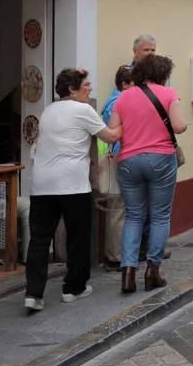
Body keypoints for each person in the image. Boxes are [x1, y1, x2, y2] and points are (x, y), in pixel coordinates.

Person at [24, 69, 121, 312]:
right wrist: (123, 120)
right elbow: (109, 137)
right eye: (86, 85)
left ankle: (33, 294)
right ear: (72, 89)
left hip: (42, 184)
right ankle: (73, 288)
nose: (89, 89)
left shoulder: (48, 110)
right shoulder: (83, 110)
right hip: (72, 184)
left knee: (39, 239)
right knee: (78, 236)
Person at [110, 55, 187, 293]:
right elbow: (178, 126)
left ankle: (128, 272)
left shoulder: (124, 97)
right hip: (160, 159)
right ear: (163, 74)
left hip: (129, 161)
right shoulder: (168, 94)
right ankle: (152, 271)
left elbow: (114, 130)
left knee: (134, 216)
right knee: (160, 216)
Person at [98, 65, 133, 271]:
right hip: (118, 160)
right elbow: (117, 134)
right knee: (118, 210)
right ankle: (115, 256)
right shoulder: (118, 102)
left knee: (121, 210)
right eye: (134, 84)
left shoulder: (115, 101)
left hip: (119, 159)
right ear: (124, 84)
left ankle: (120, 254)